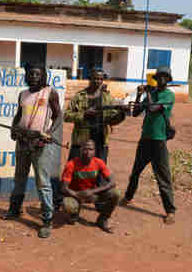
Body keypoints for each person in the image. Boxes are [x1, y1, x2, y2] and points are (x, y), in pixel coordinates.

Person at [3, 62, 63, 239]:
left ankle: (47, 220)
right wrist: (14, 129)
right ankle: (15, 210)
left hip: (40, 144)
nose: (33, 77)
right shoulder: (23, 94)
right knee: (19, 178)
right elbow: (19, 115)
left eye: (37, 74)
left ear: (43, 76)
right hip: (22, 142)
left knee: (43, 183)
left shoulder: (50, 92)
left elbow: (58, 115)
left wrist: (49, 134)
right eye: (30, 74)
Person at [120, 66, 176, 224]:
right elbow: (136, 112)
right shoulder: (151, 94)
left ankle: (170, 211)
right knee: (135, 172)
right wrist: (139, 95)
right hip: (145, 139)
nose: (162, 79)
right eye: (159, 77)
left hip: (159, 140)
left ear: (168, 80)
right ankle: (128, 197)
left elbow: (152, 108)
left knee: (163, 178)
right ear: (156, 79)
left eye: (165, 77)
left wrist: (148, 94)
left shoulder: (168, 95)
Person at [64, 68, 126, 163]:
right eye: (95, 78)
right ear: (90, 79)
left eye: (101, 79)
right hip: (81, 140)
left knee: (100, 171)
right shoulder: (79, 96)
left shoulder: (107, 97)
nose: (98, 81)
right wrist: (84, 114)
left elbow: (112, 120)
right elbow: (66, 116)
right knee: (74, 169)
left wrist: (122, 113)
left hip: (100, 140)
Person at [61, 140, 120, 233]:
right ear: (80, 150)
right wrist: (78, 195)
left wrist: (93, 191)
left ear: (95, 151)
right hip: (76, 194)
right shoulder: (71, 164)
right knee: (68, 205)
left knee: (115, 194)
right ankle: (73, 214)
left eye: (91, 149)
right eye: (85, 149)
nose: (88, 152)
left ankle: (102, 219)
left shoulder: (99, 162)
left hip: (92, 193)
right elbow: (64, 188)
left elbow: (112, 182)